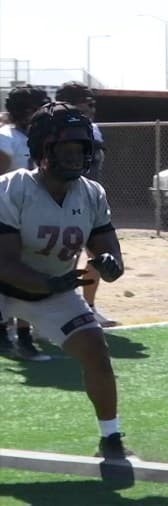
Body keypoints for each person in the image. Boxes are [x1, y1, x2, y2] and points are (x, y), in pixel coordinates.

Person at [0, 102, 130, 458]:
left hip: (53, 286)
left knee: (96, 352)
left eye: (81, 149)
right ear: (43, 149)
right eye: (66, 149)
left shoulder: (91, 193)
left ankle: (112, 438)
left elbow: (109, 250)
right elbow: (5, 264)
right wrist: (53, 285)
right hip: (10, 284)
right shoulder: (11, 189)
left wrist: (109, 263)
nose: (75, 157)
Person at [55, 81, 118, 327]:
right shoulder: (52, 127)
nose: (91, 107)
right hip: (60, 199)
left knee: (97, 253)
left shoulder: (92, 127)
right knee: (59, 255)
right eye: (86, 102)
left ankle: (89, 307)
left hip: (88, 199)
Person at [0, 84, 51, 360]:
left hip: (30, 215)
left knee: (28, 272)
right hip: (6, 216)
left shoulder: (40, 137)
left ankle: (23, 334)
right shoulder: (6, 138)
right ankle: (12, 334)